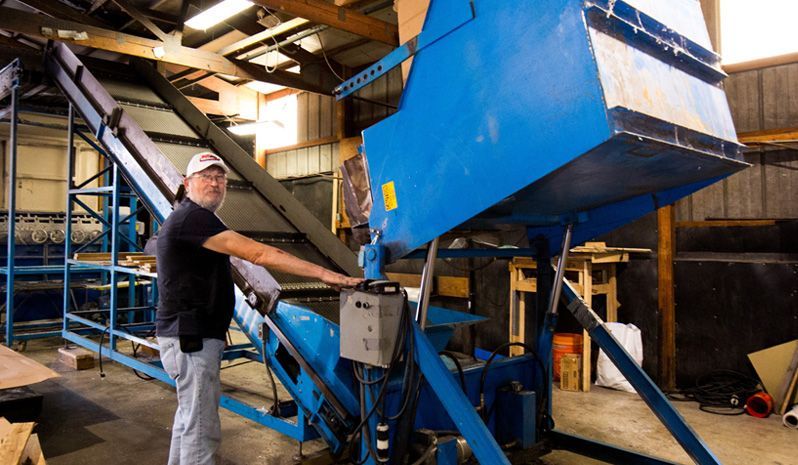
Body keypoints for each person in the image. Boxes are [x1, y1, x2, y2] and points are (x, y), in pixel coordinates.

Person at [155, 151, 362, 465]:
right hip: (191, 339)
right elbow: (259, 255)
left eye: (219, 177)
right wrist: (325, 274)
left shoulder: (190, 217)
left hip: (186, 337)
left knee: (190, 422)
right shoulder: (194, 217)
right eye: (205, 177)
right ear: (187, 183)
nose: (214, 183)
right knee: (201, 429)